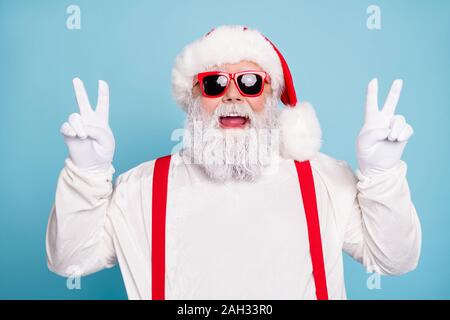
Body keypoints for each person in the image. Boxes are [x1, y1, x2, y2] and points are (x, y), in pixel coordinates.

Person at [46, 25, 421, 300]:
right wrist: (86, 174)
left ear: (272, 95)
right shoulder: (140, 189)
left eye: (250, 82)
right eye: (213, 83)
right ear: (193, 97)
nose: (231, 96)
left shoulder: (324, 179)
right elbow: (70, 262)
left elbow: (395, 261)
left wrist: (382, 174)